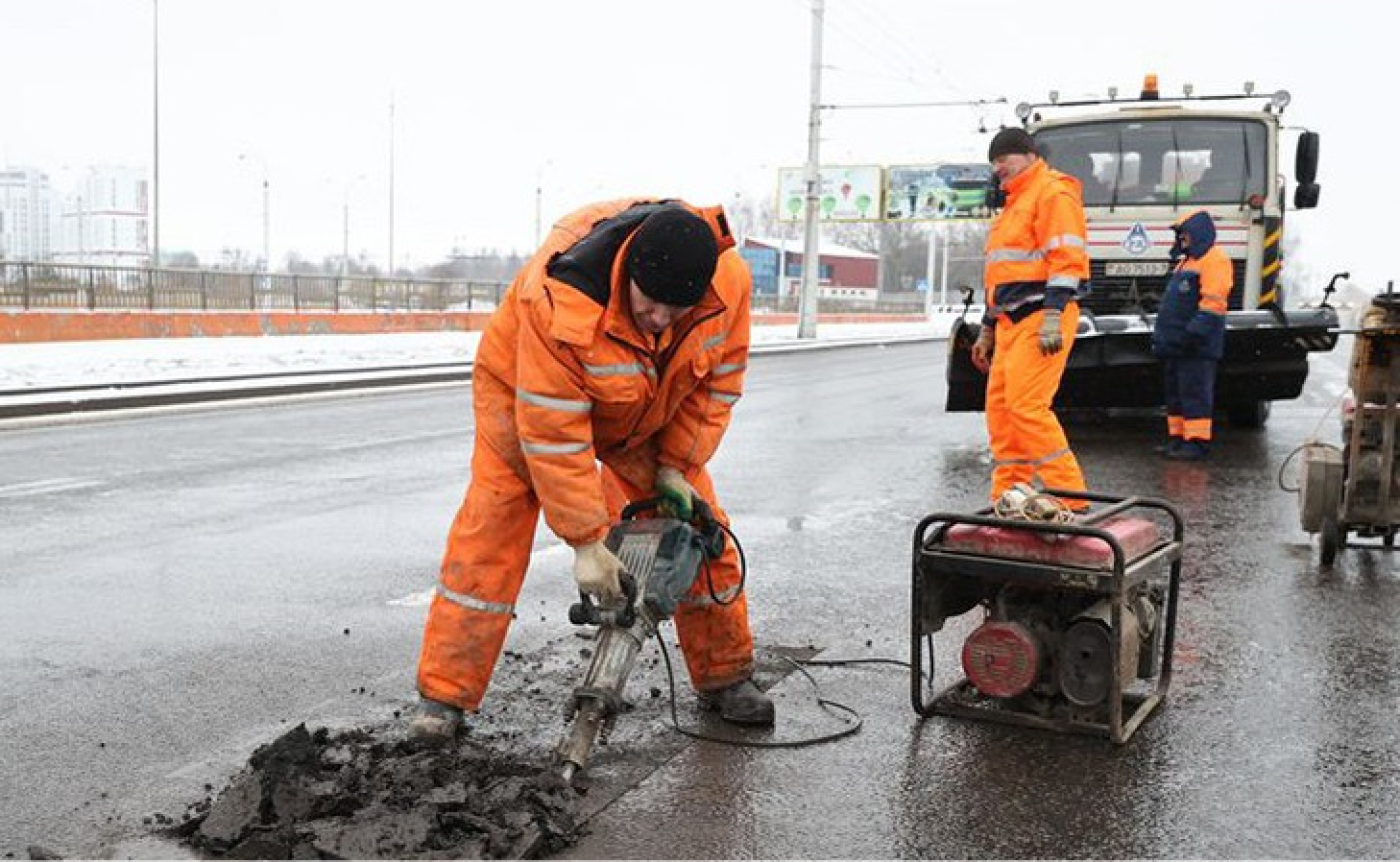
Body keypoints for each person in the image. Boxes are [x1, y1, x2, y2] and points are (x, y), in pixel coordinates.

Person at [409, 198, 773, 743]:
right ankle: (445, 696)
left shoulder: (726, 286)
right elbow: (555, 434)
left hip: (641, 408)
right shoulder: (560, 303)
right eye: (651, 306)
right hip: (523, 395)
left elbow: (715, 387)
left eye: (677, 313)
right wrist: (584, 542)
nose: (660, 322)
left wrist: (676, 468)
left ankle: (726, 675)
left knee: (699, 524)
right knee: (495, 526)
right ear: (630, 274)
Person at [971, 127, 1090, 509]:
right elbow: (1000, 276)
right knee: (1003, 414)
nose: (997, 169)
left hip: (1042, 314)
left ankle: (1071, 500)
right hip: (1010, 322)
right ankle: (1006, 498)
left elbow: (1067, 259)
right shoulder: (1012, 205)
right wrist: (987, 328)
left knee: (1027, 405)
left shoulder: (1052, 193)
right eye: (994, 163)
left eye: (1003, 160)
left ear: (1027, 154)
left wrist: (1054, 312)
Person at [1152, 209, 1232, 461]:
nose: (1181, 239)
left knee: (1195, 393)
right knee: (1175, 394)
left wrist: (1192, 334)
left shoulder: (1214, 260)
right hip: (1177, 345)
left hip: (1196, 346)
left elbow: (1213, 304)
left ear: (1198, 233)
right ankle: (1178, 439)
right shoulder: (1185, 262)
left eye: (1184, 234)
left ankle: (1196, 443)